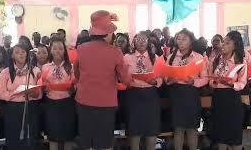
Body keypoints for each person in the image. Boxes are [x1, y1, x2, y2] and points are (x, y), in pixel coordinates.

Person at [74, 10, 131, 150]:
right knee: (104, 144)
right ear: (108, 33)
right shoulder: (115, 52)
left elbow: (76, 74)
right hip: (106, 104)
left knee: (86, 143)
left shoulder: (80, 49)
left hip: (84, 102)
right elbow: (126, 80)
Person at [165, 28, 208, 150]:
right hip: (176, 93)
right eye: (178, 38)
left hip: (191, 93)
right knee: (178, 129)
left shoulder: (198, 57)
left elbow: (205, 78)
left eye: (184, 39)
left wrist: (194, 81)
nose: (180, 41)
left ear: (191, 41)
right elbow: (165, 77)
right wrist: (169, 80)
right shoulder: (171, 57)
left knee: (192, 128)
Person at [0, 44, 42, 150]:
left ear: (27, 53)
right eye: (17, 52)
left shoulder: (36, 70)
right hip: (12, 109)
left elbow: (40, 93)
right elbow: (1, 93)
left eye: (23, 52)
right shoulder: (5, 72)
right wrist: (16, 93)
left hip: (30, 107)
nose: (21, 54)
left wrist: (34, 93)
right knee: (14, 137)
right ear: (12, 55)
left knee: (30, 136)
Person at [124, 32, 162, 150]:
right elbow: (121, 76)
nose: (141, 42)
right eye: (138, 39)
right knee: (134, 128)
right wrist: (128, 80)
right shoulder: (127, 57)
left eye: (144, 39)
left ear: (148, 42)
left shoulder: (155, 58)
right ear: (134, 42)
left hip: (150, 95)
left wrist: (155, 82)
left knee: (151, 128)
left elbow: (161, 77)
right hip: (133, 94)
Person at [209, 31, 247, 150]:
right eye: (223, 42)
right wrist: (214, 82)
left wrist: (231, 84)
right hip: (218, 98)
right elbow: (210, 79)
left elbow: (242, 83)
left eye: (227, 43)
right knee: (221, 134)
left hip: (232, 98)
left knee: (234, 134)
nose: (223, 45)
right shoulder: (216, 60)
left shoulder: (240, 62)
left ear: (235, 46)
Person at [41, 38, 77, 150]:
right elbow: (42, 84)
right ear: (50, 50)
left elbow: (75, 84)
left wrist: (72, 88)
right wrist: (44, 88)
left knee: (68, 135)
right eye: (55, 48)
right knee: (53, 136)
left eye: (60, 48)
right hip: (51, 104)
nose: (57, 51)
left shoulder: (70, 66)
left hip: (67, 103)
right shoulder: (45, 67)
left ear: (64, 51)